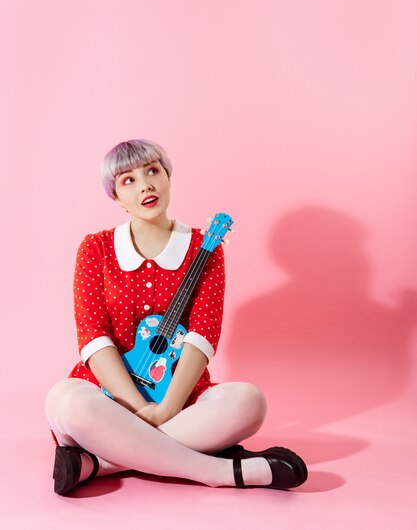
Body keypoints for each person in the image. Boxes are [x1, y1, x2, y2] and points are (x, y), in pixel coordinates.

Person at [45, 138, 308, 495]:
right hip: (108, 398)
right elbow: (93, 338)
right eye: (129, 180)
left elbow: (202, 337)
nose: (145, 185)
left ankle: (99, 463)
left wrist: (167, 408)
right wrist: (140, 408)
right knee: (66, 400)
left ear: (168, 176)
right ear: (116, 197)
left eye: (153, 171)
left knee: (249, 401)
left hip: (179, 399)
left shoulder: (205, 247)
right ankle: (221, 472)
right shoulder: (96, 248)